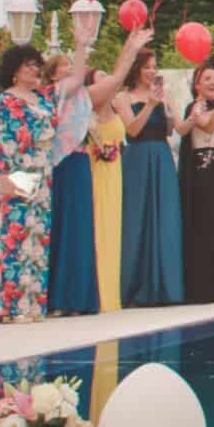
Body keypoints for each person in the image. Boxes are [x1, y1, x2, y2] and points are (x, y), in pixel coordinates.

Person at [45, 32, 128, 317]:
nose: (71, 69)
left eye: (72, 65)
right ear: (53, 75)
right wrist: (80, 46)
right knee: (56, 229)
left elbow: (116, 79)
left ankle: (77, 298)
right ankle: (54, 298)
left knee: (78, 230)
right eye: (65, 66)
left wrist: (130, 46)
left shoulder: (84, 98)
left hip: (78, 165)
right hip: (55, 166)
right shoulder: (47, 99)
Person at [0, 43, 56, 324]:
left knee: (38, 236)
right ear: (14, 70)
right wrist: (0, 176)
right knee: (14, 237)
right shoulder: (5, 101)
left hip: (43, 172)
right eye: (28, 64)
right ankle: (11, 306)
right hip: (16, 170)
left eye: (37, 64)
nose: (34, 69)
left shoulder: (43, 100)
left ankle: (34, 304)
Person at [116, 60, 185, 306]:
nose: (152, 71)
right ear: (135, 69)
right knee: (137, 219)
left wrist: (175, 110)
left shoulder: (163, 96)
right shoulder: (122, 98)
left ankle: (165, 287)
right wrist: (150, 106)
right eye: (147, 67)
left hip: (162, 157)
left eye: (154, 67)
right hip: (137, 157)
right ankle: (133, 287)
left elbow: (179, 130)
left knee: (164, 218)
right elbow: (132, 130)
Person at [177, 61, 214, 304]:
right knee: (205, 226)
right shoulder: (196, 107)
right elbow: (207, 127)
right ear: (197, 85)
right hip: (203, 171)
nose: (213, 82)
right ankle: (202, 287)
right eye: (207, 78)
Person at [86, 66, 128, 314]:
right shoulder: (88, 114)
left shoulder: (116, 109)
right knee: (97, 229)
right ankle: (97, 292)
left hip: (115, 174)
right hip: (95, 172)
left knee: (112, 230)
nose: (107, 82)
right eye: (100, 78)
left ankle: (112, 293)